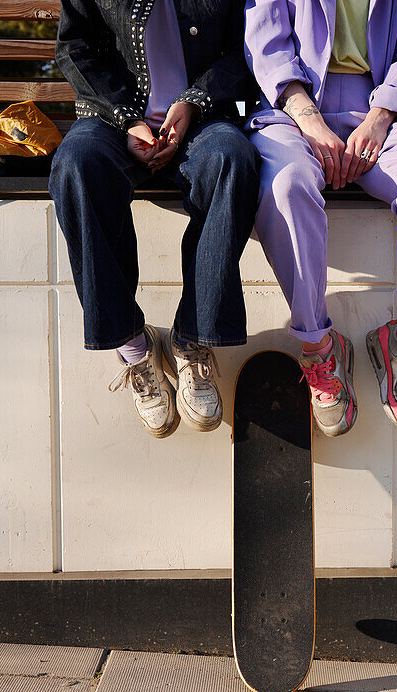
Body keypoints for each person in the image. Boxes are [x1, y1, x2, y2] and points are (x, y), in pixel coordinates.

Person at [244, 0, 397, 436]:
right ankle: (318, 348)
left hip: (381, 110)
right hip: (291, 108)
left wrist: (380, 116)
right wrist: (308, 118)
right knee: (286, 186)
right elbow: (266, 41)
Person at [50, 0, 259, 438]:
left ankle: (193, 339)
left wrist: (193, 102)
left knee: (232, 158)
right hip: (109, 119)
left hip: (202, 119)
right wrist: (125, 118)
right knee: (76, 167)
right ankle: (133, 348)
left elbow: (245, 50)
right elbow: (75, 47)